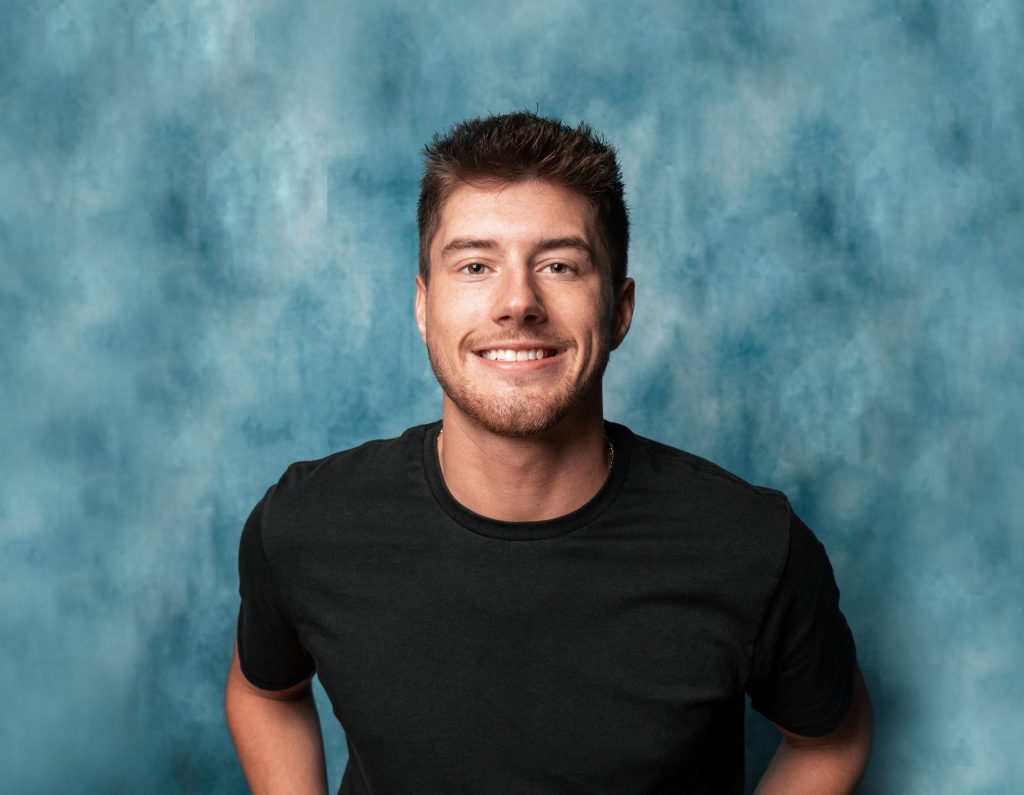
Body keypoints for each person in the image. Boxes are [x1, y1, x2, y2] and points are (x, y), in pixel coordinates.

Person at [224, 111, 873, 794]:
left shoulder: (753, 549)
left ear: (619, 310)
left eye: (559, 265)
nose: (517, 303)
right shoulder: (307, 524)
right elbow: (265, 691)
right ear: (423, 306)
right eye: (476, 265)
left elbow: (832, 737)